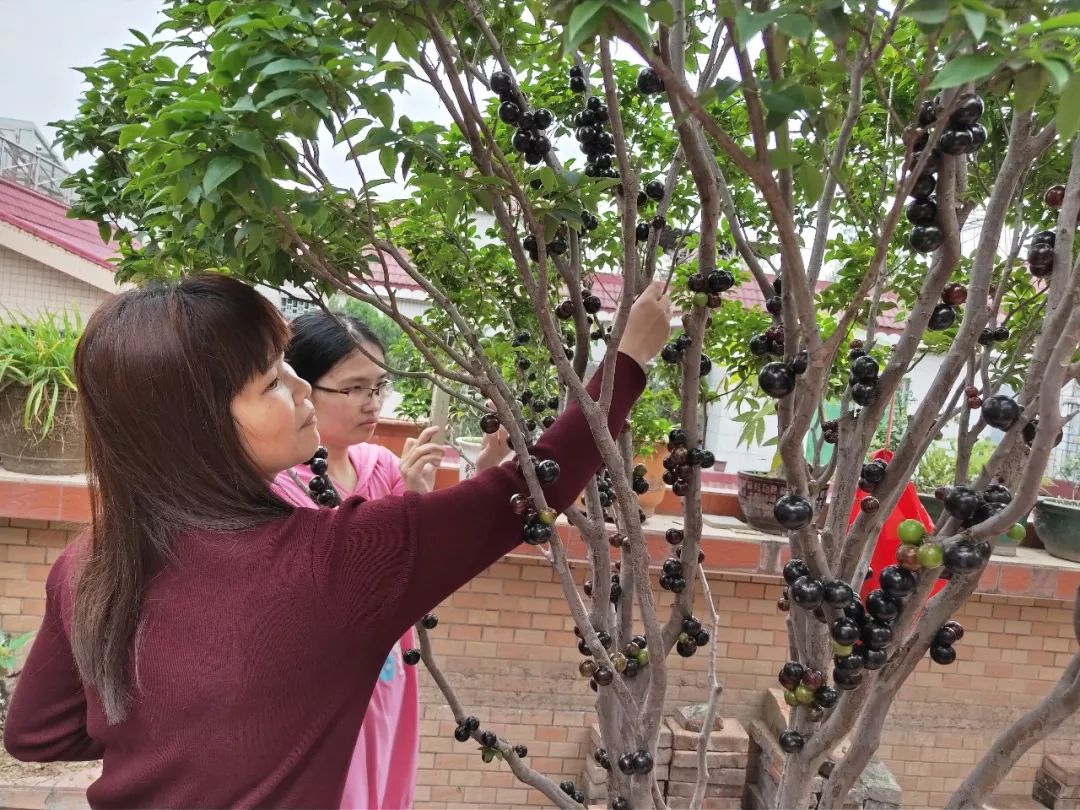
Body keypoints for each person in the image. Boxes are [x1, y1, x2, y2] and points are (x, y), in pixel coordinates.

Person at [4, 274, 671, 808]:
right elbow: (533, 487)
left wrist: (181, 736)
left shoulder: (90, 561)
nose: (301, 387)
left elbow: (37, 733)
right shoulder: (338, 561)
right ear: (196, 427)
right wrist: (629, 359)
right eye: (272, 381)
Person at [272, 310, 508, 810]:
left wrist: (483, 472)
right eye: (353, 388)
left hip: (389, 676)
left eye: (378, 386)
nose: (372, 402)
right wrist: (410, 511)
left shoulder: (381, 465)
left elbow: (435, 565)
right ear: (299, 388)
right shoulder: (277, 488)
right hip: (320, 689)